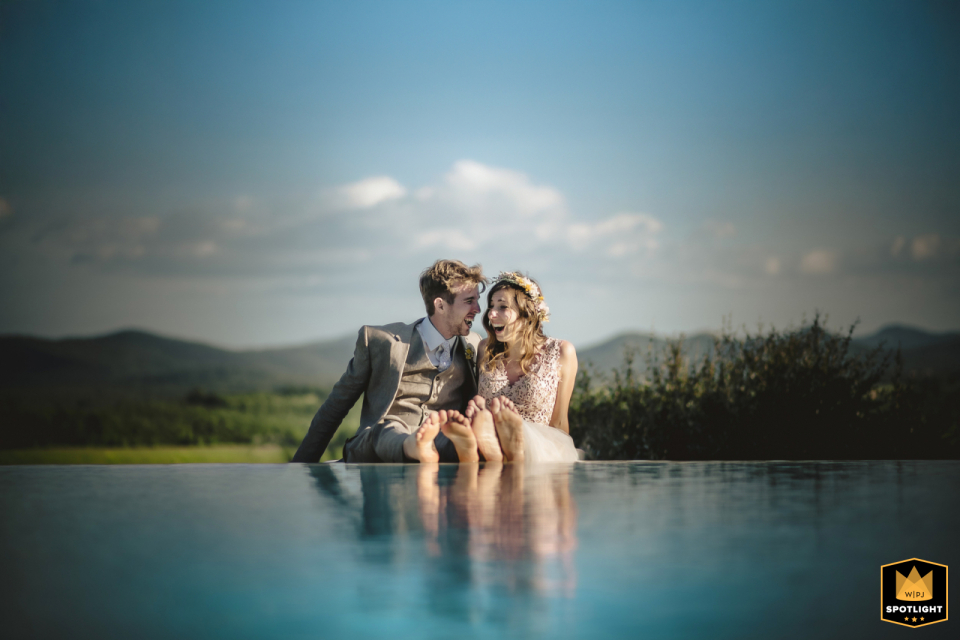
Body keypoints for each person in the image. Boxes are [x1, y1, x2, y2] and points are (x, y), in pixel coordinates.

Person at [291, 259, 487, 463]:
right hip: (379, 443)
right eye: (469, 301)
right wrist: (299, 467)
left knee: (454, 436)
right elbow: (335, 406)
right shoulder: (381, 341)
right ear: (440, 305)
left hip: (440, 441)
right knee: (389, 427)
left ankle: (460, 447)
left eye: (477, 300)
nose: (478, 309)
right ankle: (413, 445)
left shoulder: (473, 344)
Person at [442, 271, 581, 463]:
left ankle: (504, 446)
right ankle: (495, 447)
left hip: (540, 450)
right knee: (485, 421)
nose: (491, 314)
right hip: (489, 437)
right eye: (491, 306)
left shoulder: (562, 351)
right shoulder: (485, 350)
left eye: (502, 307)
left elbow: (559, 421)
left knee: (512, 440)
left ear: (527, 311)